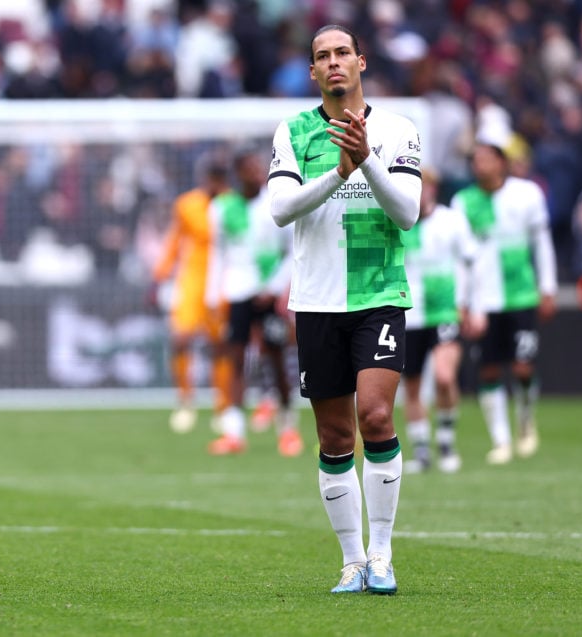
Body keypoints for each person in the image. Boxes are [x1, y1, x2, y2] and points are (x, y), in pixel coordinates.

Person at [268, 25, 422, 595]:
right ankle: (352, 561)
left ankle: (382, 555)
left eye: (341, 54)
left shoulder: (397, 130)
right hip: (316, 299)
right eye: (321, 57)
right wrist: (338, 171)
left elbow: (407, 212)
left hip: (379, 292)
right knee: (334, 438)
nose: (333, 63)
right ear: (313, 72)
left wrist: (365, 160)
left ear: (361, 62)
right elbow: (281, 209)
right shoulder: (296, 132)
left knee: (376, 418)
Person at [450, 128, 557, 465]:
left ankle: (526, 421)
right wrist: (463, 301)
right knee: (489, 369)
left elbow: (541, 243)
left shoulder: (527, 195)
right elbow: (461, 259)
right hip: (484, 300)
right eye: (476, 159)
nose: (480, 164)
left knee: (524, 366)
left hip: (522, 294)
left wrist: (548, 286)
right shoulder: (463, 202)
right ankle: (501, 439)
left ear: (502, 162)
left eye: (487, 158)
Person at [204, 148, 301, 457]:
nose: (257, 172)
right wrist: (212, 294)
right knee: (234, 360)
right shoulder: (222, 208)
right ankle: (233, 433)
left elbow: (291, 251)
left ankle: (287, 430)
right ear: (238, 173)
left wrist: (274, 288)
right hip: (237, 292)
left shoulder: (275, 206)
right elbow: (217, 253)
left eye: (259, 167)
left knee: (275, 359)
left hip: (268, 296)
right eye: (250, 168)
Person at [400, 169, 478, 474]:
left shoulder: (451, 220)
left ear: (432, 189)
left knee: (445, 377)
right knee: (413, 385)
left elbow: (471, 260)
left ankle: (445, 442)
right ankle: (421, 451)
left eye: (423, 186)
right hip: (409, 313)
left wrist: (468, 303)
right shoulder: (397, 221)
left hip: (446, 310)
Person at [153, 155, 233, 433]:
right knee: (181, 337)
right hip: (193, 279)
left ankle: (222, 406)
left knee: (220, 344)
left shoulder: (234, 206)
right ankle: (186, 401)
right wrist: (160, 273)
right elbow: (175, 240)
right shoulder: (187, 205)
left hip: (224, 280)